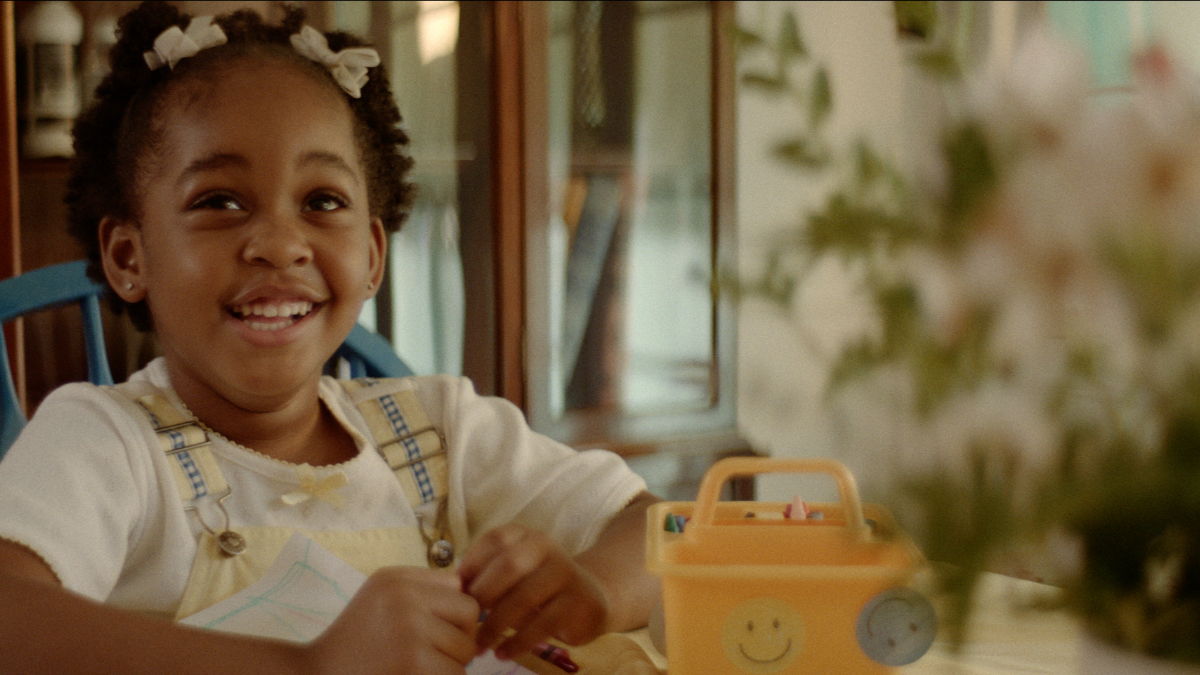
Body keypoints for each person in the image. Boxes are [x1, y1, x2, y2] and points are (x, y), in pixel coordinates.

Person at [0, 3, 661, 674]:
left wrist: (598, 591)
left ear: (372, 255)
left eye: (322, 202)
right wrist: (310, 666)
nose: (281, 245)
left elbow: (665, 532)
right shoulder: (106, 441)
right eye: (219, 201)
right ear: (128, 255)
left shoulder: (438, 433)